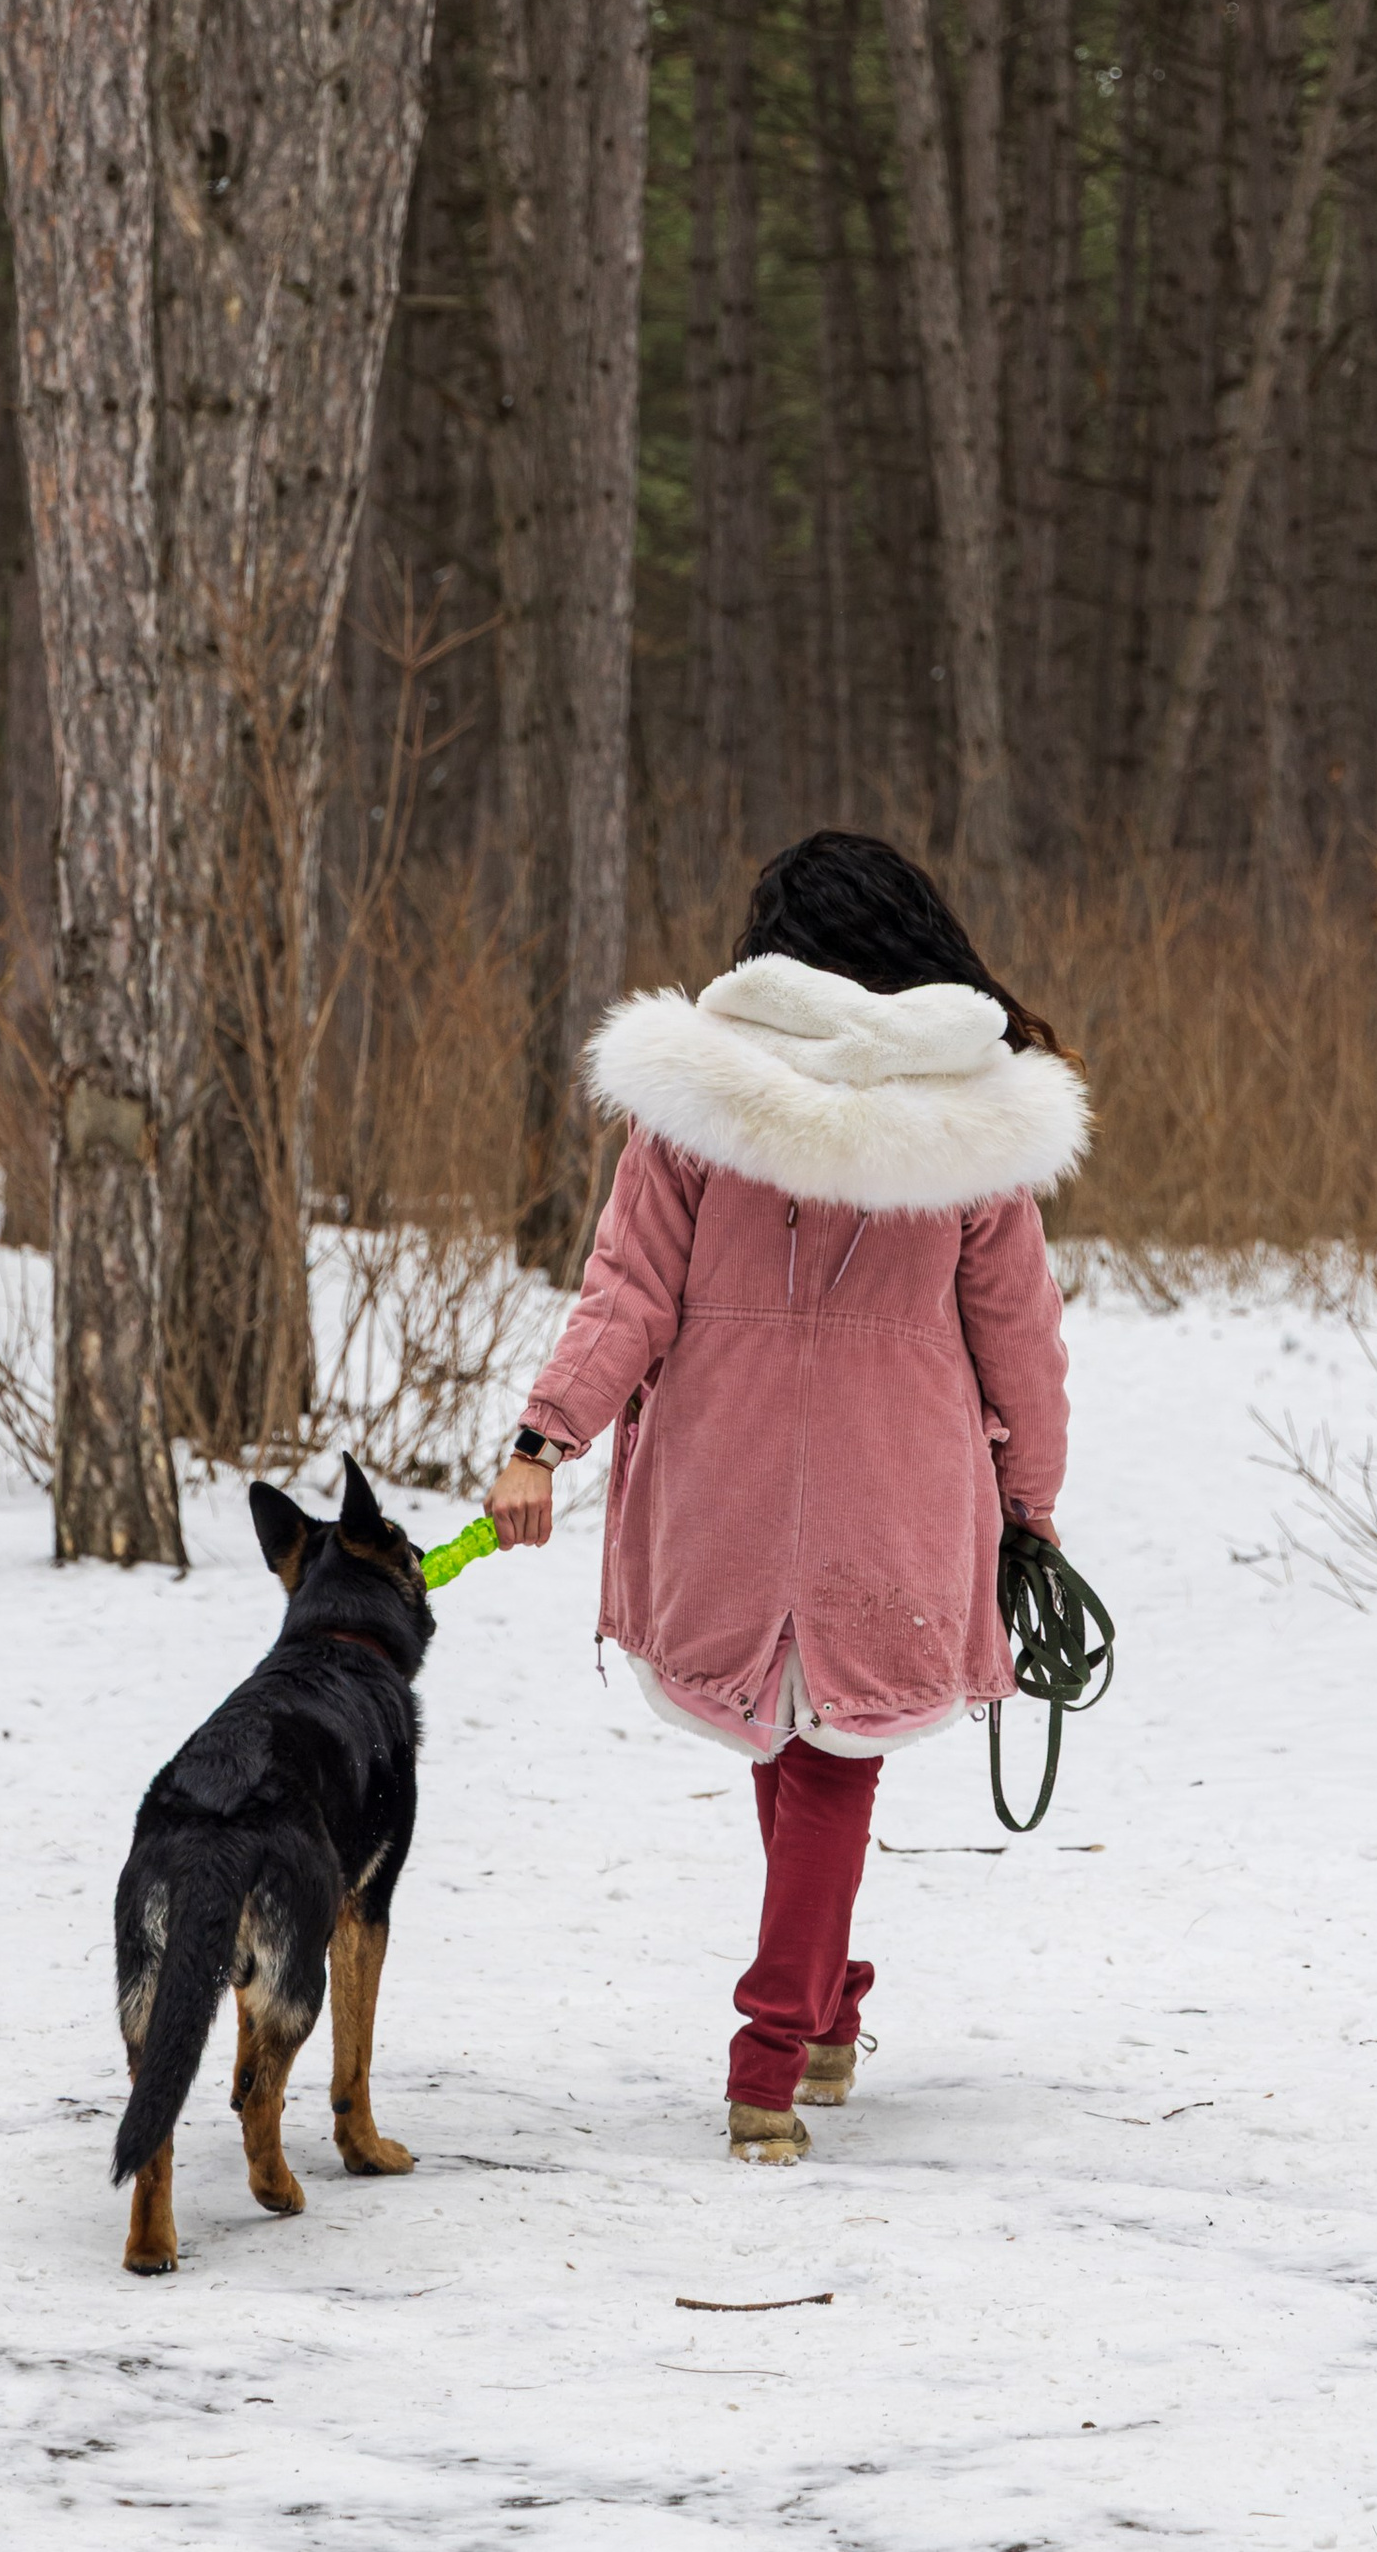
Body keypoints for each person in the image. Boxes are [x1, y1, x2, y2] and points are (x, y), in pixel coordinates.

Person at [483, 830, 1090, 2162]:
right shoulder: (977, 1115)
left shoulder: (700, 1092)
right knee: (827, 1753)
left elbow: (626, 1288)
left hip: (721, 1476)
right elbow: (1022, 1341)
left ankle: (824, 2008)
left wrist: (545, 1434)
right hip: (900, 1490)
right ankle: (773, 2053)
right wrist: (1029, 1508)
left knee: (795, 1735)